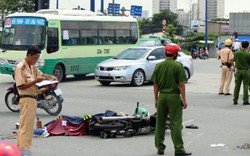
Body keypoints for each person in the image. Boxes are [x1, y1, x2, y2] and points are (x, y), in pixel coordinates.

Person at [14, 47, 57, 156]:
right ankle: (24, 151)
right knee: (26, 127)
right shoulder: (21, 67)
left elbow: (41, 75)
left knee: (25, 126)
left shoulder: (32, 66)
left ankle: (20, 150)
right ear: (29, 55)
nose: (36, 61)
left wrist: (50, 77)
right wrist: (35, 82)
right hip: (26, 98)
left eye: (38, 58)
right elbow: (21, 85)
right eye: (35, 58)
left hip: (33, 98)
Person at [151, 43, 192, 156]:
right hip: (173, 97)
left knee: (160, 123)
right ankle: (179, 149)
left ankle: (160, 148)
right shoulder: (178, 66)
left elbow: (155, 85)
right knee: (176, 123)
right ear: (174, 54)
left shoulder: (158, 66)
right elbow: (181, 84)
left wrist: (156, 99)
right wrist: (184, 100)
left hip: (162, 97)